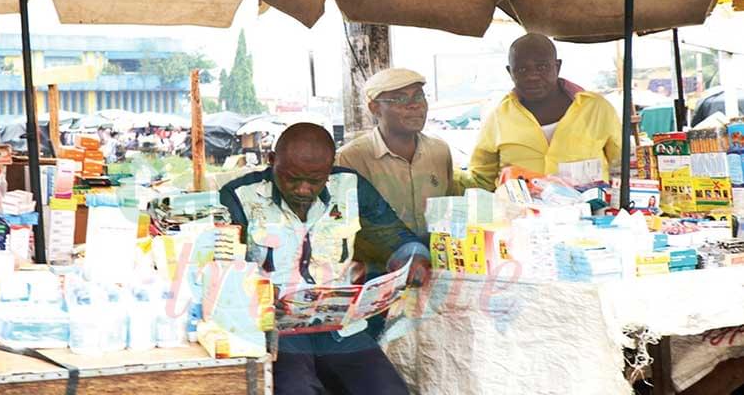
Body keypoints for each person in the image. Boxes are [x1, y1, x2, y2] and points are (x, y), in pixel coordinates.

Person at [219, 123, 430, 395]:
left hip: (341, 327)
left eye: (316, 180)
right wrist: (253, 290)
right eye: (292, 179)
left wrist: (413, 257)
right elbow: (220, 267)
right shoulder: (238, 196)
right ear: (272, 162)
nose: (304, 189)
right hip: (277, 332)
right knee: (297, 389)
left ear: (330, 169)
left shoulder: (351, 187)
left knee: (389, 390)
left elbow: (394, 235)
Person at [458, 33, 622, 192]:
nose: (532, 76)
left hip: (591, 216)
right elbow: (481, 180)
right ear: (510, 72)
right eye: (522, 69)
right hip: (521, 217)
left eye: (541, 67)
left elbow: (621, 166)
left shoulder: (597, 109)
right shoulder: (498, 118)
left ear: (557, 67)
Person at [337, 68, 454, 240]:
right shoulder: (350, 159)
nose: (414, 105)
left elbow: (448, 214)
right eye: (400, 99)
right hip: (379, 264)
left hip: (435, 261)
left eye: (419, 96)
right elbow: (343, 230)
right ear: (375, 108)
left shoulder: (440, 152)